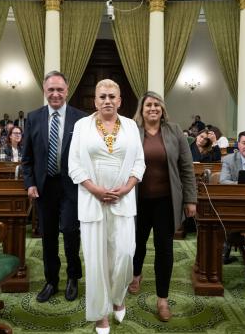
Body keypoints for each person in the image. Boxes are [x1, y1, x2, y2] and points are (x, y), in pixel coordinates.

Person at [68, 79, 145, 334]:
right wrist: (95, 190)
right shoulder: (81, 126)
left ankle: (118, 294)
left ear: (120, 100)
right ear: (95, 101)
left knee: (124, 254)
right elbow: (74, 165)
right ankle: (101, 314)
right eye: (102, 96)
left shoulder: (132, 126)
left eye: (112, 96)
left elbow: (139, 163)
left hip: (123, 200)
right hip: (92, 201)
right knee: (96, 259)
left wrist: (126, 187)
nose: (107, 100)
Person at [128, 92, 196, 322]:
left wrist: (191, 199)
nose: (153, 108)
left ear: (162, 109)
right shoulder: (132, 131)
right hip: (137, 200)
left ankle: (162, 299)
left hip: (166, 200)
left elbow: (186, 167)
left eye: (157, 104)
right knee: (136, 244)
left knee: (164, 249)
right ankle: (136, 274)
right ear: (142, 109)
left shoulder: (174, 131)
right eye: (148, 104)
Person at [21, 71, 87, 303]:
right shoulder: (33, 117)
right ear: (44, 91)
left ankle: (72, 278)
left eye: (60, 89)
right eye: (51, 90)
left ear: (67, 91)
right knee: (47, 236)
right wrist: (29, 184)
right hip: (44, 187)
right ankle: (51, 281)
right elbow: (27, 159)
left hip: (71, 186)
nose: (56, 94)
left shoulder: (81, 119)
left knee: (70, 232)